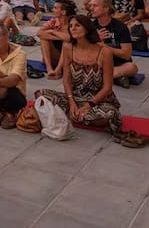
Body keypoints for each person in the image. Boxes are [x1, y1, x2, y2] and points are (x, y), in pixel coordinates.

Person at [36, 15, 140, 144]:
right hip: (74, 97)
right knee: (41, 96)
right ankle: (76, 114)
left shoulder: (104, 52)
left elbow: (107, 87)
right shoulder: (68, 47)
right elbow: (66, 79)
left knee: (110, 114)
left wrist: (88, 105)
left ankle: (74, 115)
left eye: (77, 25)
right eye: (71, 26)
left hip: (98, 101)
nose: (73, 28)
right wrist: (72, 102)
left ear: (87, 29)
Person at [37, 0, 77, 79]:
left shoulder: (74, 23)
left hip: (70, 59)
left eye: (55, 8)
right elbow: (39, 33)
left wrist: (53, 32)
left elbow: (69, 38)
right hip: (55, 56)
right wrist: (60, 37)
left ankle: (58, 70)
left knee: (67, 43)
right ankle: (49, 68)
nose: (52, 10)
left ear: (63, 12)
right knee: (44, 39)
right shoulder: (54, 21)